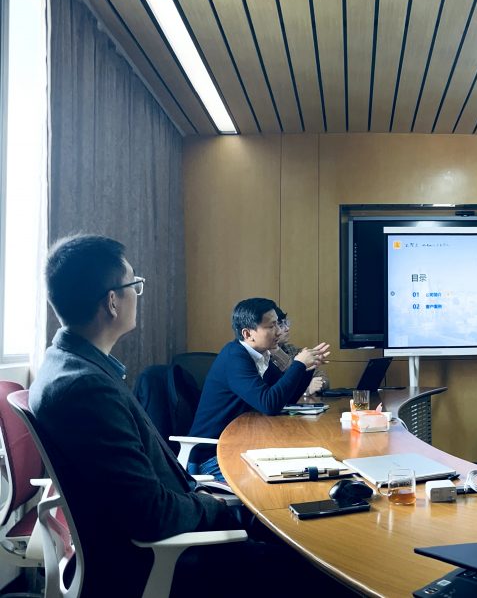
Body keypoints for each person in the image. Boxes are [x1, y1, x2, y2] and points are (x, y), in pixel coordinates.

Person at [28, 235, 345, 596]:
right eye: (134, 285)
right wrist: (211, 505)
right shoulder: (84, 388)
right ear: (113, 302)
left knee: (296, 532)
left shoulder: (71, 368)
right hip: (166, 560)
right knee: (327, 570)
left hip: (173, 530)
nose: (138, 293)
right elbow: (151, 514)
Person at [188, 298, 330, 479]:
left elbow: (285, 399)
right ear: (248, 334)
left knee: (304, 469)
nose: (279, 331)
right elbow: (268, 404)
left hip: (241, 447)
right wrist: (298, 365)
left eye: (277, 324)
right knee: (282, 481)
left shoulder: (261, 356)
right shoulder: (235, 358)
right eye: (271, 326)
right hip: (212, 456)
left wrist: (307, 369)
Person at [269, 307, 328, 400]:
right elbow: (273, 391)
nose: (287, 328)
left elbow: (322, 378)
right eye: (280, 325)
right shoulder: (262, 355)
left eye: (286, 323)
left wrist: (320, 383)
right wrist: (305, 389)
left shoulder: (292, 350)